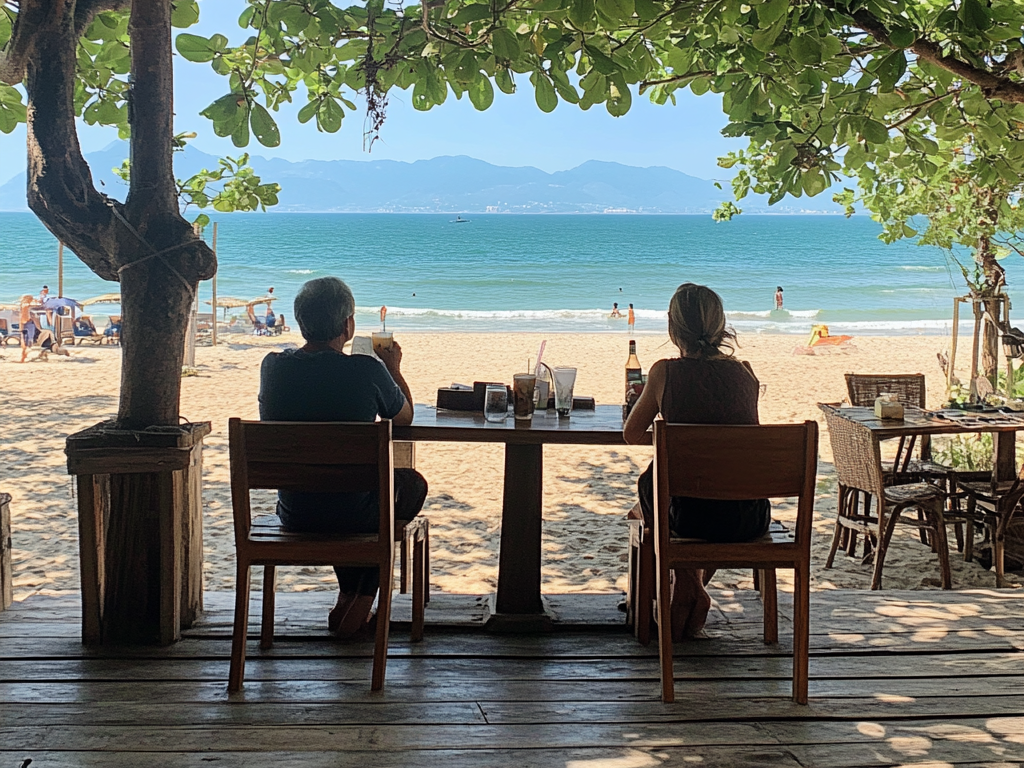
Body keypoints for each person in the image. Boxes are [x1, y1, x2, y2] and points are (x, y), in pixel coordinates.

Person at [259, 277, 427, 638]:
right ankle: (363, 602)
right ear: (348, 326)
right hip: (351, 511)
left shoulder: (272, 367)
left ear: (301, 322)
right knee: (406, 487)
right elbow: (405, 416)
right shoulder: (366, 370)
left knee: (341, 492)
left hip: (296, 510)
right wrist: (393, 366)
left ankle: (348, 598)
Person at [623, 283, 769, 640]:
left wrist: (668, 433)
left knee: (652, 486)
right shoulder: (746, 373)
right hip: (747, 515)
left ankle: (689, 587)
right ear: (721, 326)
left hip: (690, 518)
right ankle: (690, 586)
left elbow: (631, 434)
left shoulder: (664, 372)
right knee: (690, 490)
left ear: (673, 328)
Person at [19, 294, 38, 363]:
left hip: (25, 323)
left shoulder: (22, 305)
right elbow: (30, 305)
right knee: (27, 340)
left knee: (24, 341)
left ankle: (23, 358)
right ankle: (23, 357)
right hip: (28, 323)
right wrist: (35, 302)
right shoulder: (25, 305)